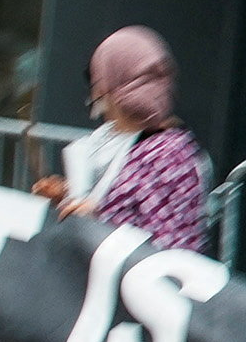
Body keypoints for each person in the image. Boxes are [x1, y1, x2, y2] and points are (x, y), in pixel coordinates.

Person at [37, 25, 209, 255]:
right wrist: (66, 200)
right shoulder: (116, 141)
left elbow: (162, 243)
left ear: (106, 89)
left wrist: (94, 221)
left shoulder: (166, 155)